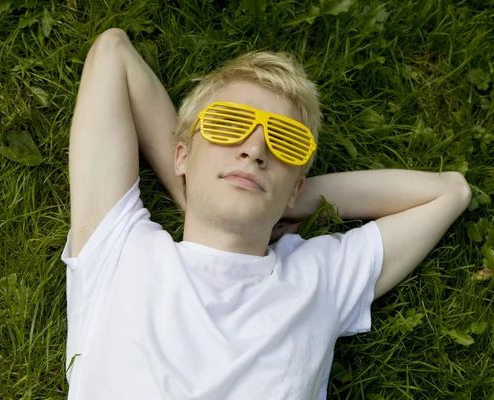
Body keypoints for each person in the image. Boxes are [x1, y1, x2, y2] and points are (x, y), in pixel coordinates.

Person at [61, 28, 471, 399]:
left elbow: (450, 192)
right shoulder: (117, 247)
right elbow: (112, 51)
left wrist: (287, 199)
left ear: (297, 185)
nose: (254, 149)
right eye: (228, 124)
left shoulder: (317, 281)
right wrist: (194, 194)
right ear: (181, 155)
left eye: (285, 142)